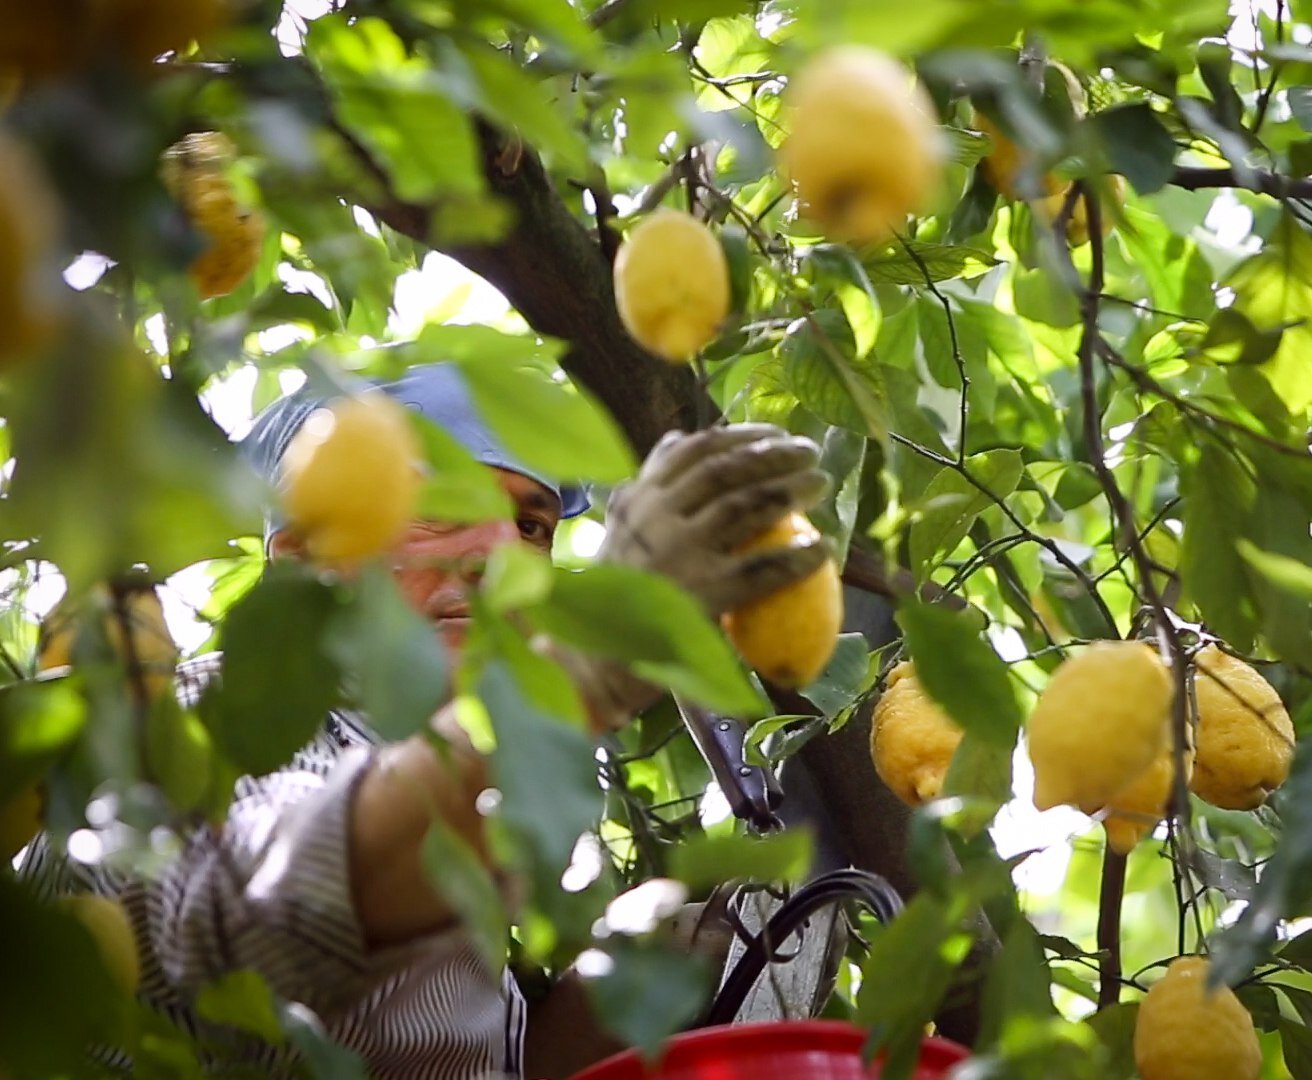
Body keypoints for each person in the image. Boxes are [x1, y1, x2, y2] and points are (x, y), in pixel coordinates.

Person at [19, 362, 831, 1078]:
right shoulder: (190, 724)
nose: (498, 554)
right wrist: (582, 679)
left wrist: (605, 1006)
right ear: (302, 558)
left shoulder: (470, 818)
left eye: (531, 526)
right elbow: (269, 905)